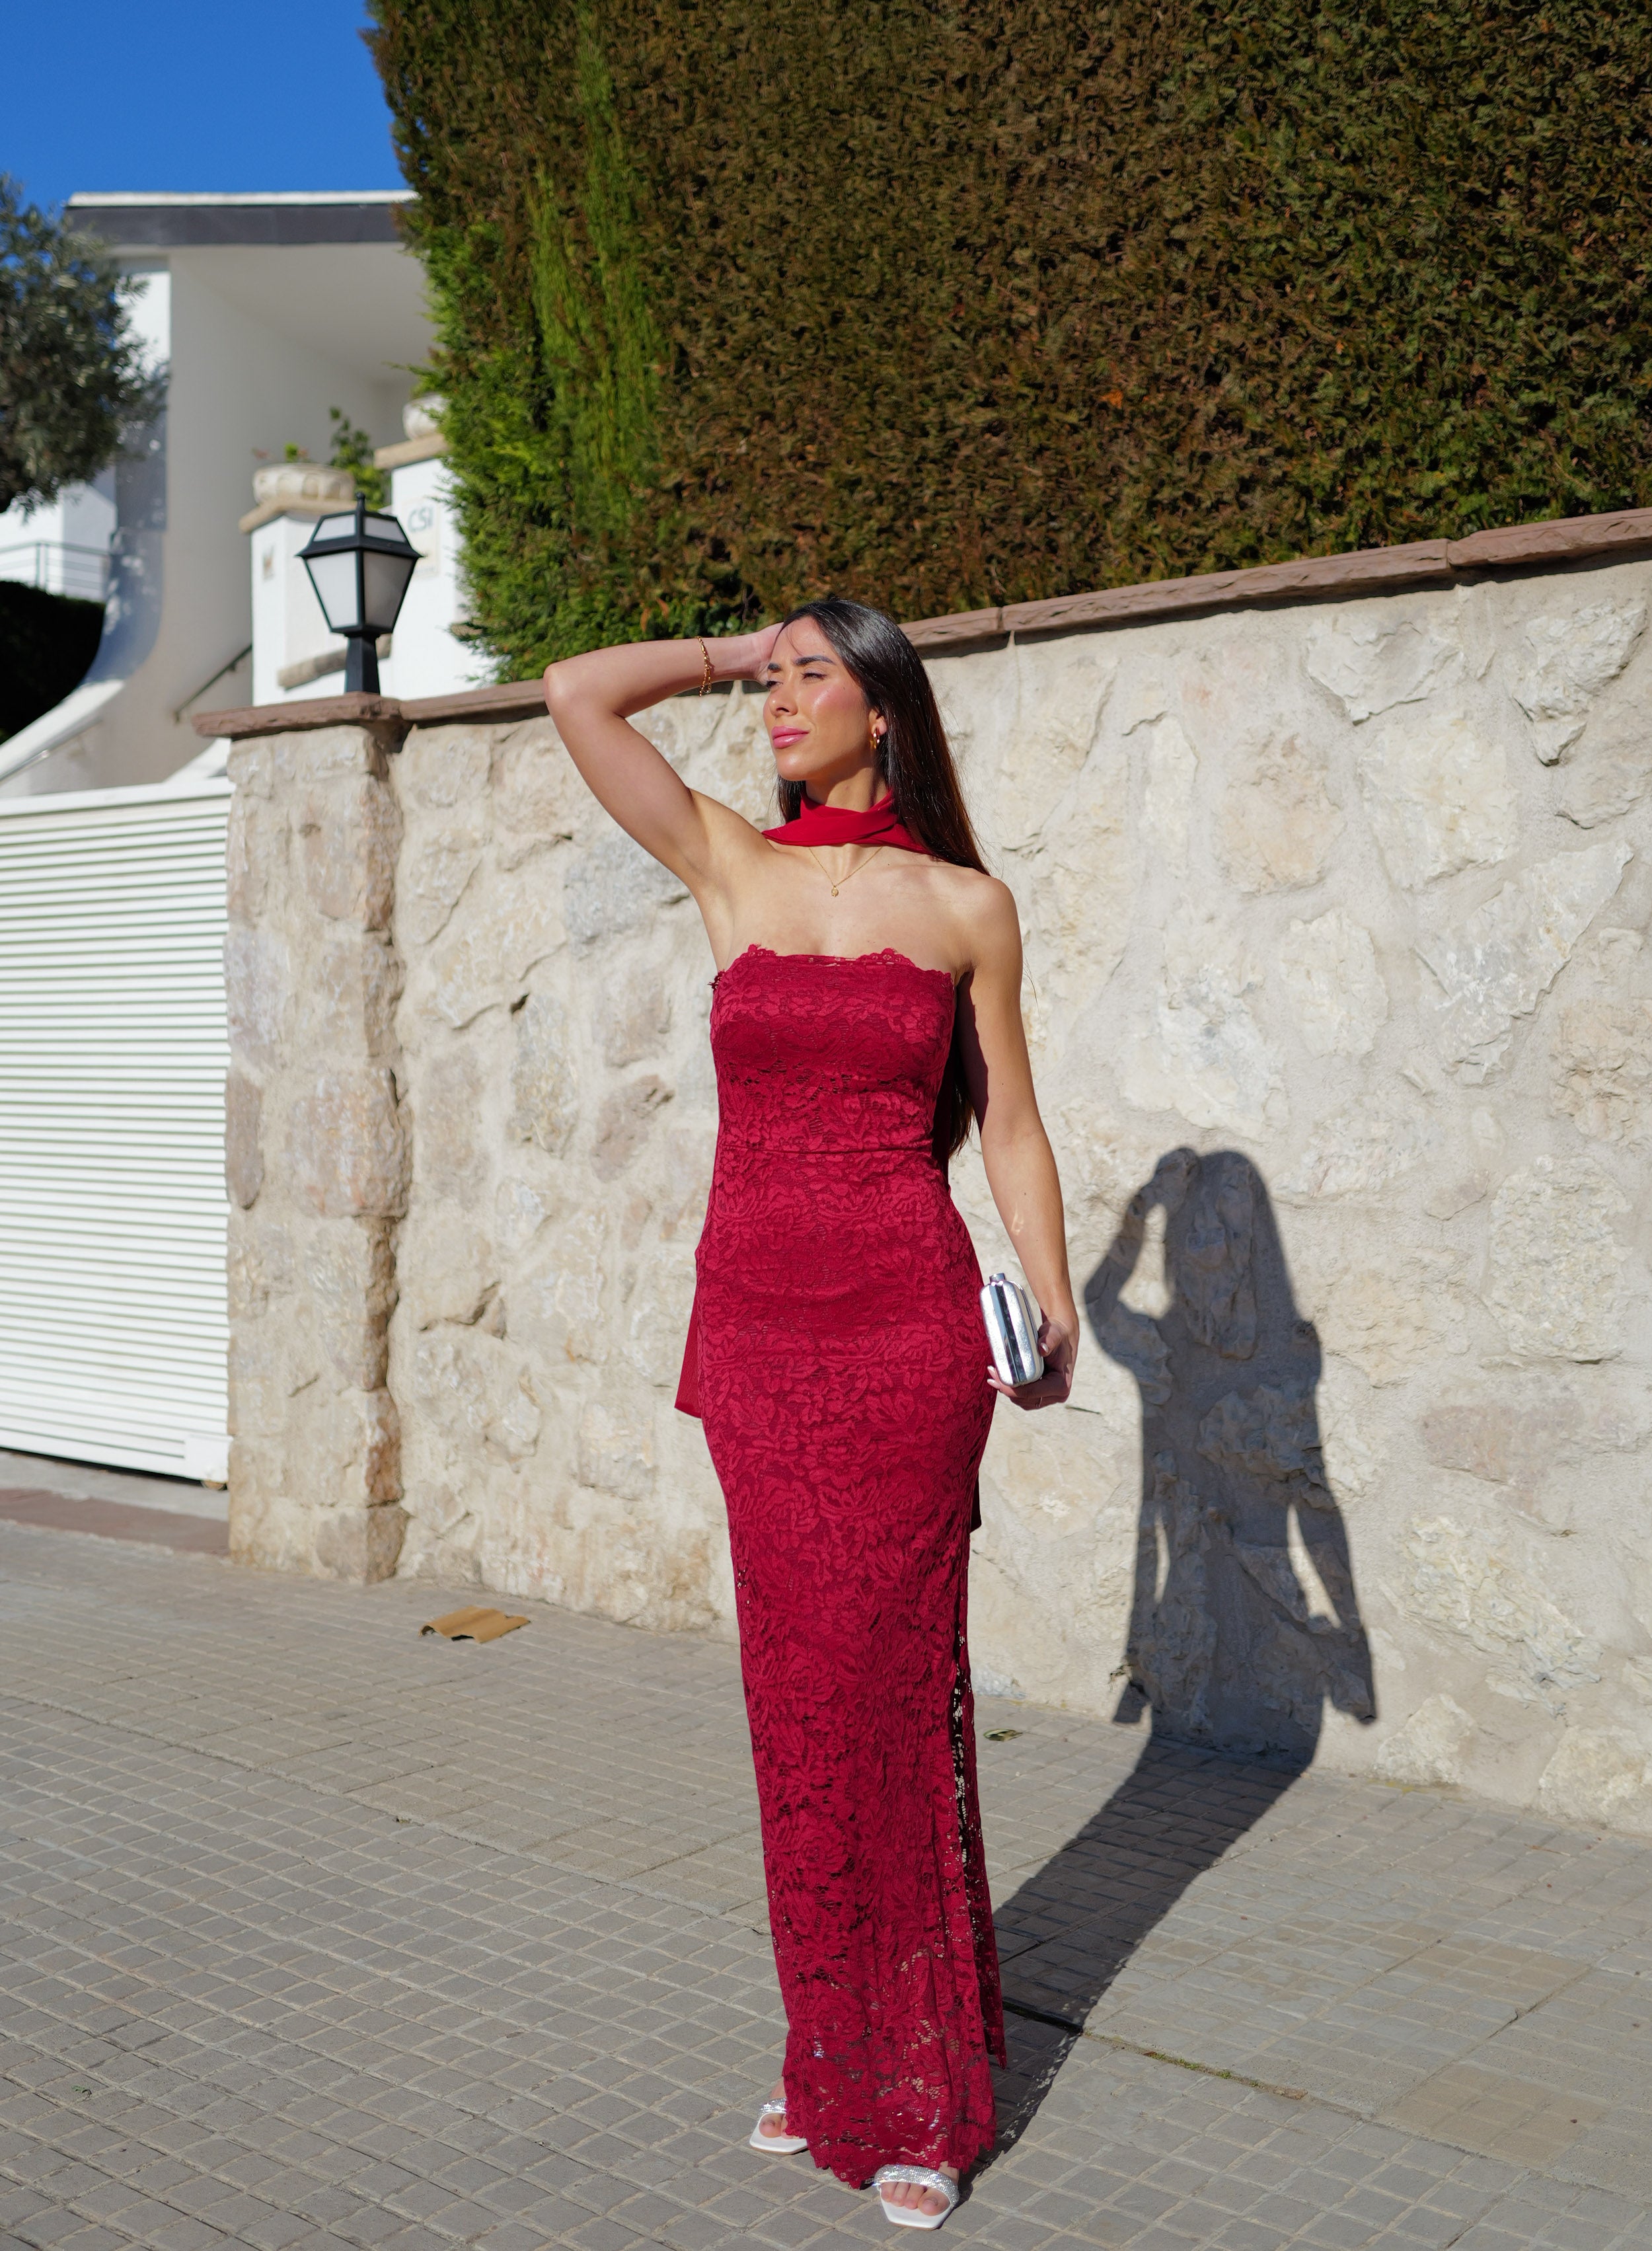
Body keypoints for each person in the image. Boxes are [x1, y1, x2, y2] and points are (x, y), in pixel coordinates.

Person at [544, 600, 1077, 2231]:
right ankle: (829, 2048)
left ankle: (919, 2091)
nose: (776, 698)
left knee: (891, 1684)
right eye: (766, 677)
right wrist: (726, 649)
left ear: (883, 706)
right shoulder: (726, 861)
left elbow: (1008, 1130)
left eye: (808, 673)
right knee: (793, 1697)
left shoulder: (966, 906)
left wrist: (1049, 1310)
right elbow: (576, 692)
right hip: (759, 1343)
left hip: (907, 1336)